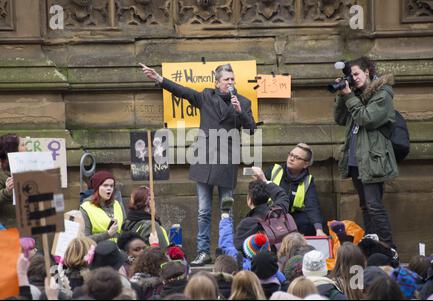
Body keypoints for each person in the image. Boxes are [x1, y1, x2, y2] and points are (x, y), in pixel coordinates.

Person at [140, 62, 257, 266]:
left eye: (232, 79)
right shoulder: (206, 97)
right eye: (226, 80)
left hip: (227, 162)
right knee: (203, 211)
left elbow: (252, 128)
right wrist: (159, 79)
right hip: (204, 160)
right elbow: (183, 91)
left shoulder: (243, 102)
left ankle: (225, 251)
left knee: (226, 210)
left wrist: (239, 112)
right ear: (217, 82)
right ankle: (203, 252)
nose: (230, 83)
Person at [333, 56, 398, 249]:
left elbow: (367, 118)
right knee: (365, 206)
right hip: (356, 159)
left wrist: (349, 96)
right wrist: (342, 95)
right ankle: (373, 247)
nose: (354, 78)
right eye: (351, 75)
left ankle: (389, 248)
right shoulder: (356, 94)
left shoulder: (383, 94)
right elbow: (339, 118)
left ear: (367, 71)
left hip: (372, 158)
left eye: (356, 74)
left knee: (374, 206)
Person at [265, 143, 326, 236]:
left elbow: (312, 206)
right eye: (291, 154)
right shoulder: (274, 170)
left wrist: (319, 229)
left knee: (312, 223)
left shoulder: (308, 181)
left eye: (297, 157)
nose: (291, 158)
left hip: (291, 218)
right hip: (270, 214)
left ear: (306, 164)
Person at [0, 133, 26, 228]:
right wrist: (6, 192)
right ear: (12, 149)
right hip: (4, 232)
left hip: (24, 231)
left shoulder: (20, 169)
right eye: (23, 145)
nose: (26, 148)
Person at [80, 171, 125, 242]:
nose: (109, 188)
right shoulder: (85, 207)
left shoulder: (117, 204)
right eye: (105, 185)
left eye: (111, 186)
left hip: (117, 251)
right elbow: (85, 239)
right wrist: (107, 234)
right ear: (97, 188)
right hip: (98, 251)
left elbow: (124, 230)